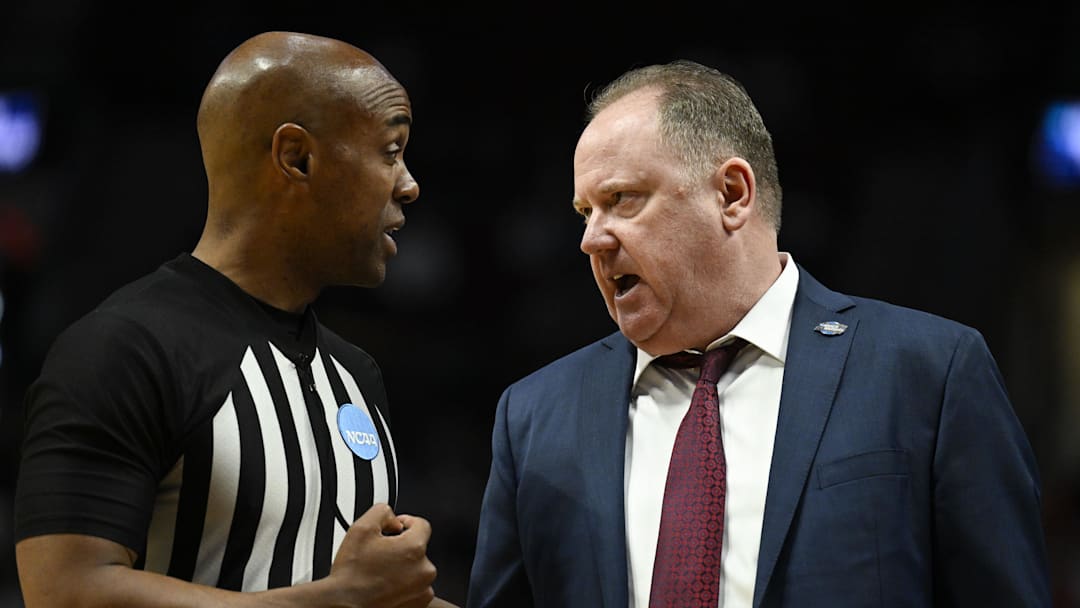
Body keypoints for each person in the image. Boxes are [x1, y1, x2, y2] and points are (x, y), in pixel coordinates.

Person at [466, 59, 1052, 607]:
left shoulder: (928, 370)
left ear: (732, 194)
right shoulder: (534, 415)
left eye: (621, 199)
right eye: (584, 212)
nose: (592, 239)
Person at [14, 31, 456, 608]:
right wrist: (337, 601)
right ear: (297, 157)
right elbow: (65, 591)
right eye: (391, 152)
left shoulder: (356, 375)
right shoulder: (125, 349)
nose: (409, 184)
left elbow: (355, 592)